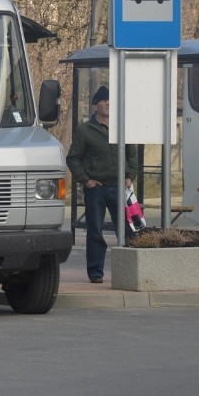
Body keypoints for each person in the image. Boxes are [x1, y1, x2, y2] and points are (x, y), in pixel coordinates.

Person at [66, 85, 138, 283]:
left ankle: (130, 272)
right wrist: (86, 181)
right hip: (96, 190)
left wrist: (130, 176)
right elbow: (73, 158)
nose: (108, 104)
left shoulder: (121, 127)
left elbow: (132, 155)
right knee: (95, 231)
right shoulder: (85, 130)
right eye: (104, 101)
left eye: (110, 101)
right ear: (94, 106)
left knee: (127, 231)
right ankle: (96, 274)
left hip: (120, 188)